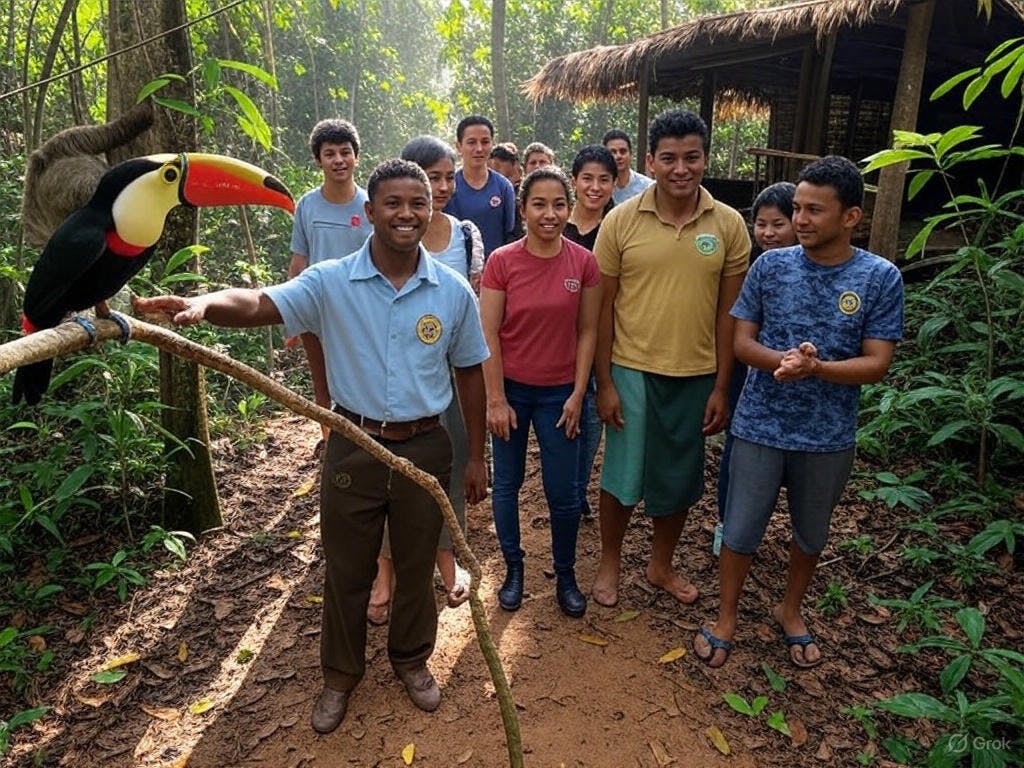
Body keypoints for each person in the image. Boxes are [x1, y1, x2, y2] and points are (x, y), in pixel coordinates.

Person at [136, 159, 489, 733]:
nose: (406, 214)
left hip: (426, 446)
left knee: (420, 560)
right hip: (354, 442)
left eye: (417, 204)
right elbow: (262, 302)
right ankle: (339, 677)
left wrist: (474, 456)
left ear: (431, 211)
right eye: (393, 204)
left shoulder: (451, 291)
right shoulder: (330, 281)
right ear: (369, 212)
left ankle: (412, 662)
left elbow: (470, 373)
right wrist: (203, 306)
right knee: (348, 568)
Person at [693, 156, 904, 669]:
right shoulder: (771, 266)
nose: (801, 219)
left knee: (811, 534)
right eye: (797, 208)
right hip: (760, 425)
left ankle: (791, 611)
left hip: (828, 436)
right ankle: (726, 617)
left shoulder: (879, 278)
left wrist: (817, 369)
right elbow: (742, 341)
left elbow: (877, 362)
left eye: (814, 210)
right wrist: (783, 362)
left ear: (851, 216)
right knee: (740, 529)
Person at [591, 109, 750, 609]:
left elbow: (731, 314)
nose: (681, 169)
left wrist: (723, 386)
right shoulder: (620, 221)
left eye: (692, 157)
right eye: (669, 158)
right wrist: (605, 383)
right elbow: (601, 309)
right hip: (631, 368)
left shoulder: (728, 225)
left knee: (679, 478)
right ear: (650, 162)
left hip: (695, 374)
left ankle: (661, 564)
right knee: (621, 476)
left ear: (705, 158)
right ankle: (610, 562)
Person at [367, 136, 486, 624]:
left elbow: (469, 317)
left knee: (449, 471)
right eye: (429, 176)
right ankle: (385, 572)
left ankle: (446, 556)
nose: (439, 187)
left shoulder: (465, 236)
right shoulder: (388, 235)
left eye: (446, 177)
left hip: (448, 385)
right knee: (390, 478)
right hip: (396, 385)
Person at [481, 166, 601, 618]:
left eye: (558, 205)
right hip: (510, 390)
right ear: (523, 208)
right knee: (507, 484)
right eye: (539, 204)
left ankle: (565, 576)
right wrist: (495, 398)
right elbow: (488, 332)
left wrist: (578, 394)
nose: (549, 214)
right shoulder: (502, 261)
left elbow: (588, 330)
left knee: (564, 492)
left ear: (569, 209)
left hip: (560, 395)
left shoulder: (583, 263)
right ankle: (514, 570)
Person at [713, 181, 797, 556]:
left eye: (778, 224)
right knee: (736, 450)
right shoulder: (749, 269)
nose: (767, 233)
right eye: (760, 224)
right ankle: (727, 526)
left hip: (801, 381)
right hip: (747, 376)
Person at [287, 119, 373, 445]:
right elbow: (298, 262)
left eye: (345, 152)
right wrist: (291, 316)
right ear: (318, 160)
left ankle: (365, 440)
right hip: (316, 309)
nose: (338, 160)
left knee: (363, 377)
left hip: (363, 309)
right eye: (330, 153)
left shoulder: (370, 205)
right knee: (322, 383)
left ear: (356, 157)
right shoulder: (308, 205)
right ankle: (331, 441)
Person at [563, 145, 617, 521]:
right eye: (587, 179)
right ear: (574, 181)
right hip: (557, 340)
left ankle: (577, 491)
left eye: (604, 180)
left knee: (591, 416)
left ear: (614, 184)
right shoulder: (555, 222)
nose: (595, 187)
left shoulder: (617, 228)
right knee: (562, 415)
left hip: (601, 339)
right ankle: (563, 489)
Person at [445, 115, 517, 257]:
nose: (479, 148)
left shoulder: (504, 187)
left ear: (492, 144)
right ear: (459, 146)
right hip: (455, 267)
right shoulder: (447, 186)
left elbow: (510, 234)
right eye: (471, 142)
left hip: (495, 269)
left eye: (485, 142)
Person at [602, 129, 654, 204]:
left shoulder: (647, 187)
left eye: (623, 151)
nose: (618, 156)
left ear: (630, 154)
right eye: (613, 152)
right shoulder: (599, 188)